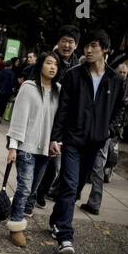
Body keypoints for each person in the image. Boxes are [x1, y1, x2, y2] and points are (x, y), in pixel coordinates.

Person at [49, 29, 125, 254]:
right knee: (70, 185)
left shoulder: (115, 80)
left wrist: (108, 130)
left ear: (105, 50)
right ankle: (65, 237)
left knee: (76, 187)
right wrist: (56, 137)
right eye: (87, 46)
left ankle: (56, 218)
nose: (88, 50)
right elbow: (62, 110)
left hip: (95, 143)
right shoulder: (74, 75)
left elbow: (120, 109)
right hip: (72, 140)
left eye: (94, 46)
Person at [6, 51, 61, 247]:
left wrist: (58, 142)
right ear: (41, 65)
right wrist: (13, 147)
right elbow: (18, 120)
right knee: (25, 186)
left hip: (45, 151)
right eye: (49, 63)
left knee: (32, 190)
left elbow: (59, 122)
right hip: (26, 147)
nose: (53, 67)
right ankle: (16, 228)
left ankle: (16, 207)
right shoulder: (28, 88)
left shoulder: (58, 91)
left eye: (56, 64)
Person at [79, 63, 128, 215]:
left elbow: (123, 109)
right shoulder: (110, 80)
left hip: (108, 131)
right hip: (98, 128)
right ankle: (78, 194)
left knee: (99, 164)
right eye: (120, 71)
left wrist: (110, 129)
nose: (122, 74)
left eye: (125, 72)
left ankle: (94, 202)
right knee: (87, 163)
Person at [35, 25, 81, 209]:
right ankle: (29, 194)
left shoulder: (78, 66)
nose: (67, 45)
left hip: (61, 123)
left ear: (76, 45)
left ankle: (39, 192)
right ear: (58, 42)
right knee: (38, 160)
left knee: (53, 166)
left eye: (71, 42)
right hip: (45, 116)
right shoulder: (49, 60)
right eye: (64, 41)